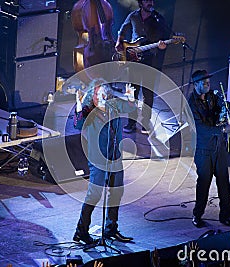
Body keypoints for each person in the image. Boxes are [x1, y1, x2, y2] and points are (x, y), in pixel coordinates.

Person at [72, 80, 136, 244]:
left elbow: (129, 108)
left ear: (107, 95)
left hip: (115, 157)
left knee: (116, 193)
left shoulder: (113, 107)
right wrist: (78, 104)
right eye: (95, 94)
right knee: (94, 194)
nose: (99, 97)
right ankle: (81, 231)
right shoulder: (88, 112)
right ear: (91, 96)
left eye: (102, 94)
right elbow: (78, 124)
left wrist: (131, 98)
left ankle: (111, 229)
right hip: (98, 160)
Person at [187, 70, 230, 228]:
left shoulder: (212, 96)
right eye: (204, 82)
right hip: (203, 149)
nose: (207, 84)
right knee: (203, 183)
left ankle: (226, 215)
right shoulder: (191, 104)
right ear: (196, 84)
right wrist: (222, 130)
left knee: (224, 181)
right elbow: (201, 128)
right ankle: (197, 215)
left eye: (208, 81)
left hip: (218, 146)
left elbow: (224, 105)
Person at [115, 0, 171, 134]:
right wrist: (119, 42)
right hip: (134, 60)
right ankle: (131, 123)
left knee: (148, 93)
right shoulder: (133, 16)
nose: (150, 3)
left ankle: (146, 123)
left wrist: (164, 45)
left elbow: (165, 36)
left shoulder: (158, 19)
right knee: (132, 93)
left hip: (150, 59)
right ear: (141, 3)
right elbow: (123, 30)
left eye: (151, 0)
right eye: (146, 1)